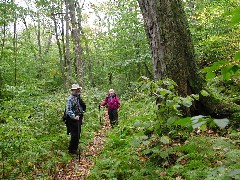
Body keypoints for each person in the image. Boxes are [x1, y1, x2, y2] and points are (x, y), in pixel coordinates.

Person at [65, 84, 86, 155]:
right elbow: (68, 110)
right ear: (72, 90)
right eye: (76, 89)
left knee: (78, 134)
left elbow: (81, 108)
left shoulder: (78, 97)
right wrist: (74, 116)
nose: (77, 90)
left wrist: (82, 118)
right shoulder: (70, 99)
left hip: (78, 118)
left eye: (78, 89)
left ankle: (75, 149)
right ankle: (71, 150)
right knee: (74, 135)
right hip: (72, 119)